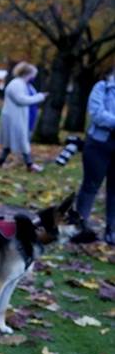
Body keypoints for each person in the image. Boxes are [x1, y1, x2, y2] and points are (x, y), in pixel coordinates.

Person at [72, 64, 115, 245]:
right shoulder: (102, 88)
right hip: (98, 144)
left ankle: (111, 230)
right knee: (90, 186)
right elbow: (96, 114)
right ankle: (80, 228)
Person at [0, 61, 46, 172]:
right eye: (33, 74)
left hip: (21, 117)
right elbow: (21, 100)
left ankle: (0, 162)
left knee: (11, 142)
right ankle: (30, 165)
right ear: (27, 73)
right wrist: (40, 97)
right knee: (22, 141)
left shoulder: (25, 84)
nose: (34, 77)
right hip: (14, 118)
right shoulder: (16, 84)